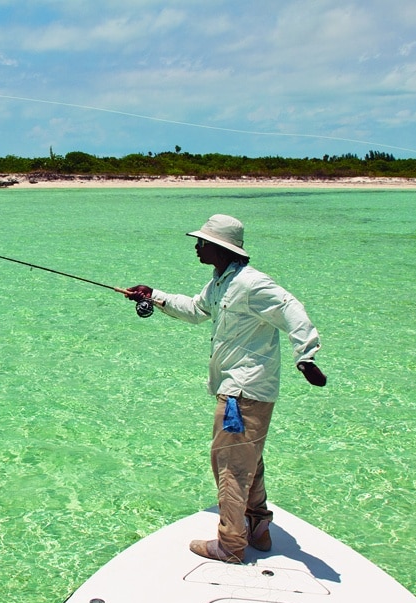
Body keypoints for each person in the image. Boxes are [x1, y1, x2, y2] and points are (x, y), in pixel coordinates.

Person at [122, 214, 327, 564]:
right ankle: (258, 527)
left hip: (244, 391)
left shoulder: (251, 284)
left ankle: (231, 544)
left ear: (219, 247)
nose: (197, 246)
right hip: (235, 387)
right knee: (248, 461)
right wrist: (152, 295)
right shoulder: (220, 283)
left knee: (229, 465)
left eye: (202, 242)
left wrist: (305, 356)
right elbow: (195, 309)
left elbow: (290, 307)